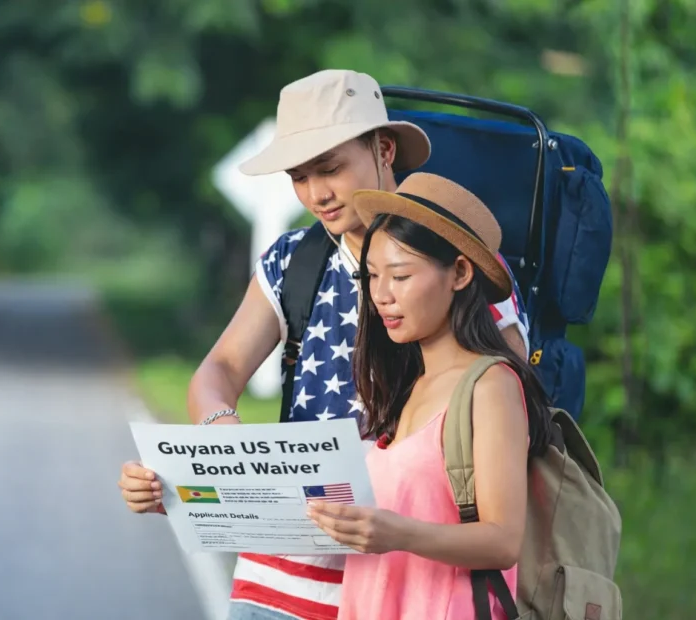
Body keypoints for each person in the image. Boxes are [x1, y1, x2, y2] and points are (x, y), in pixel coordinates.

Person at [117, 70, 530, 620]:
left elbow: (506, 406)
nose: (317, 193)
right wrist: (233, 450)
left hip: (402, 579)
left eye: (331, 168)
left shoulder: (462, 263)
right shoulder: (295, 260)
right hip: (274, 576)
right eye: (299, 177)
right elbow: (218, 371)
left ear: (384, 149)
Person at [306, 174, 553, 619]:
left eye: (400, 276)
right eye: (373, 276)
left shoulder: (490, 385)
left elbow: (502, 541)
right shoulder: (406, 386)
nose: (381, 296)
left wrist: (398, 534)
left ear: (460, 272)